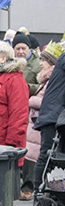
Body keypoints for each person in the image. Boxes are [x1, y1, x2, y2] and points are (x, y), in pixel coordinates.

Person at [22, 47, 59, 199]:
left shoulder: (51, 80)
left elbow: (46, 101)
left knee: (42, 157)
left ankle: (39, 190)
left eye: (44, 60)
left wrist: (30, 99)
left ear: (51, 63)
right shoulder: (45, 79)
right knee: (40, 157)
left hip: (42, 123)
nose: (41, 63)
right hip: (38, 124)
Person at [34, 41, 65, 194]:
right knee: (48, 153)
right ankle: (39, 191)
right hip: (54, 115)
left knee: (54, 155)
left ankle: (54, 192)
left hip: (55, 114)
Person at [12, 31, 41, 95]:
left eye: (23, 48)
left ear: (29, 49)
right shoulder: (9, 63)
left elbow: (42, 87)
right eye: (18, 49)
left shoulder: (38, 64)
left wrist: (25, 86)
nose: (21, 51)